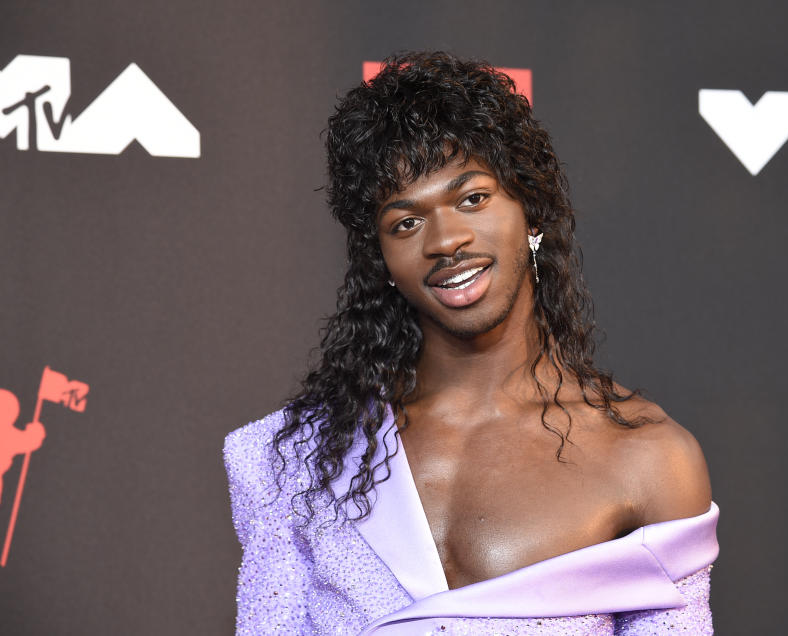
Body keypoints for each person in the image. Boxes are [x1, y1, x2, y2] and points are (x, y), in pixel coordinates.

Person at [224, 51, 718, 635]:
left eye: (472, 199)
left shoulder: (649, 460)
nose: (447, 240)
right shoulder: (303, 458)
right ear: (381, 260)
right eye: (405, 222)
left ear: (530, 211)